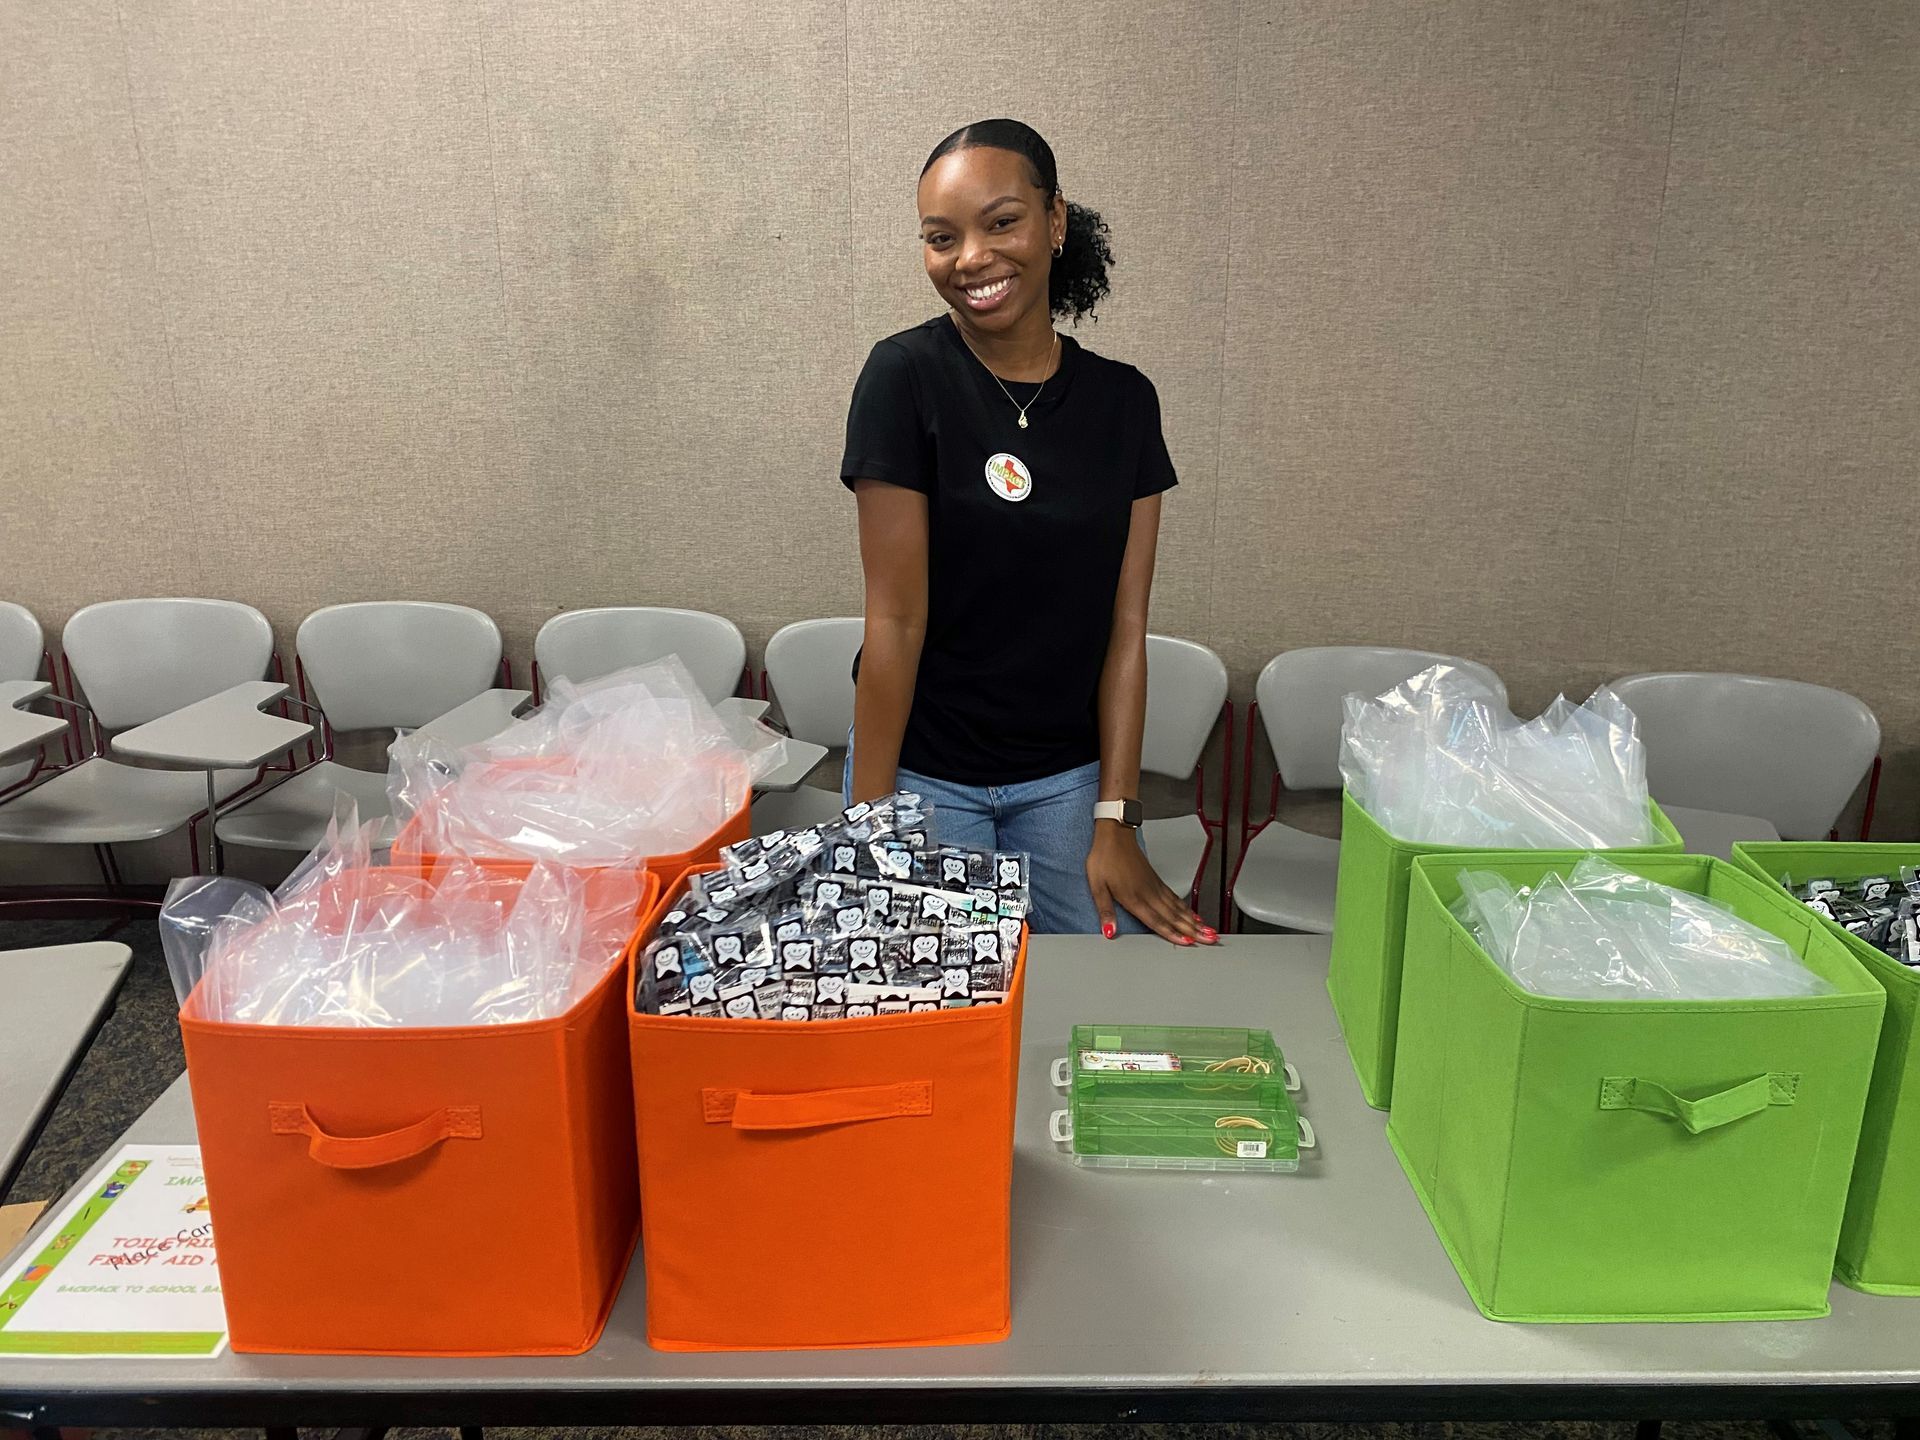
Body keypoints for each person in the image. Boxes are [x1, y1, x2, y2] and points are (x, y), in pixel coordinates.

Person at [840, 118, 1217, 947]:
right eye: (942, 238)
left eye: (1001, 221)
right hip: (925, 775)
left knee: (1107, 995)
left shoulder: (1125, 402)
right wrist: (867, 830)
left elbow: (1125, 629)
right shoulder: (904, 379)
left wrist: (1115, 819)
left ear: (1054, 223)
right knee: (940, 1014)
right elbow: (893, 622)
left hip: (1068, 782)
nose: (971, 256)